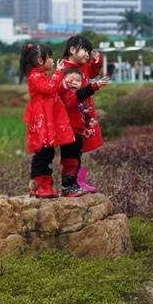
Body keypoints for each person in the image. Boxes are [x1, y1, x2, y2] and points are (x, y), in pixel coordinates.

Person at [20, 43, 75, 198]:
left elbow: (53, 89)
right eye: (49, 57)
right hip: (41, 118)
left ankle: (46, 184)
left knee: (49, 151)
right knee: (42, 152)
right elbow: (50, 88)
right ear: (39, 60)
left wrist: (63, 82)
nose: (52, 60)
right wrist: (58, 73)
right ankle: (37, 185)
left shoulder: (40, 75)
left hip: (47, 117)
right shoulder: (34, 76)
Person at [59, 35, 104, 194]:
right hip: (72, 118)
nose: (87, 54)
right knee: (73, 151)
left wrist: (97, 60)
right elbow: (68, 99)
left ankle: (79, 181)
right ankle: (70, 184)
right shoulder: (65, 70)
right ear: (72, 50)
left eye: (89, 51)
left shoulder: (83, 66)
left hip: (84, 115)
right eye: (85, 50)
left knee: (81, 148)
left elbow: (93, 70)